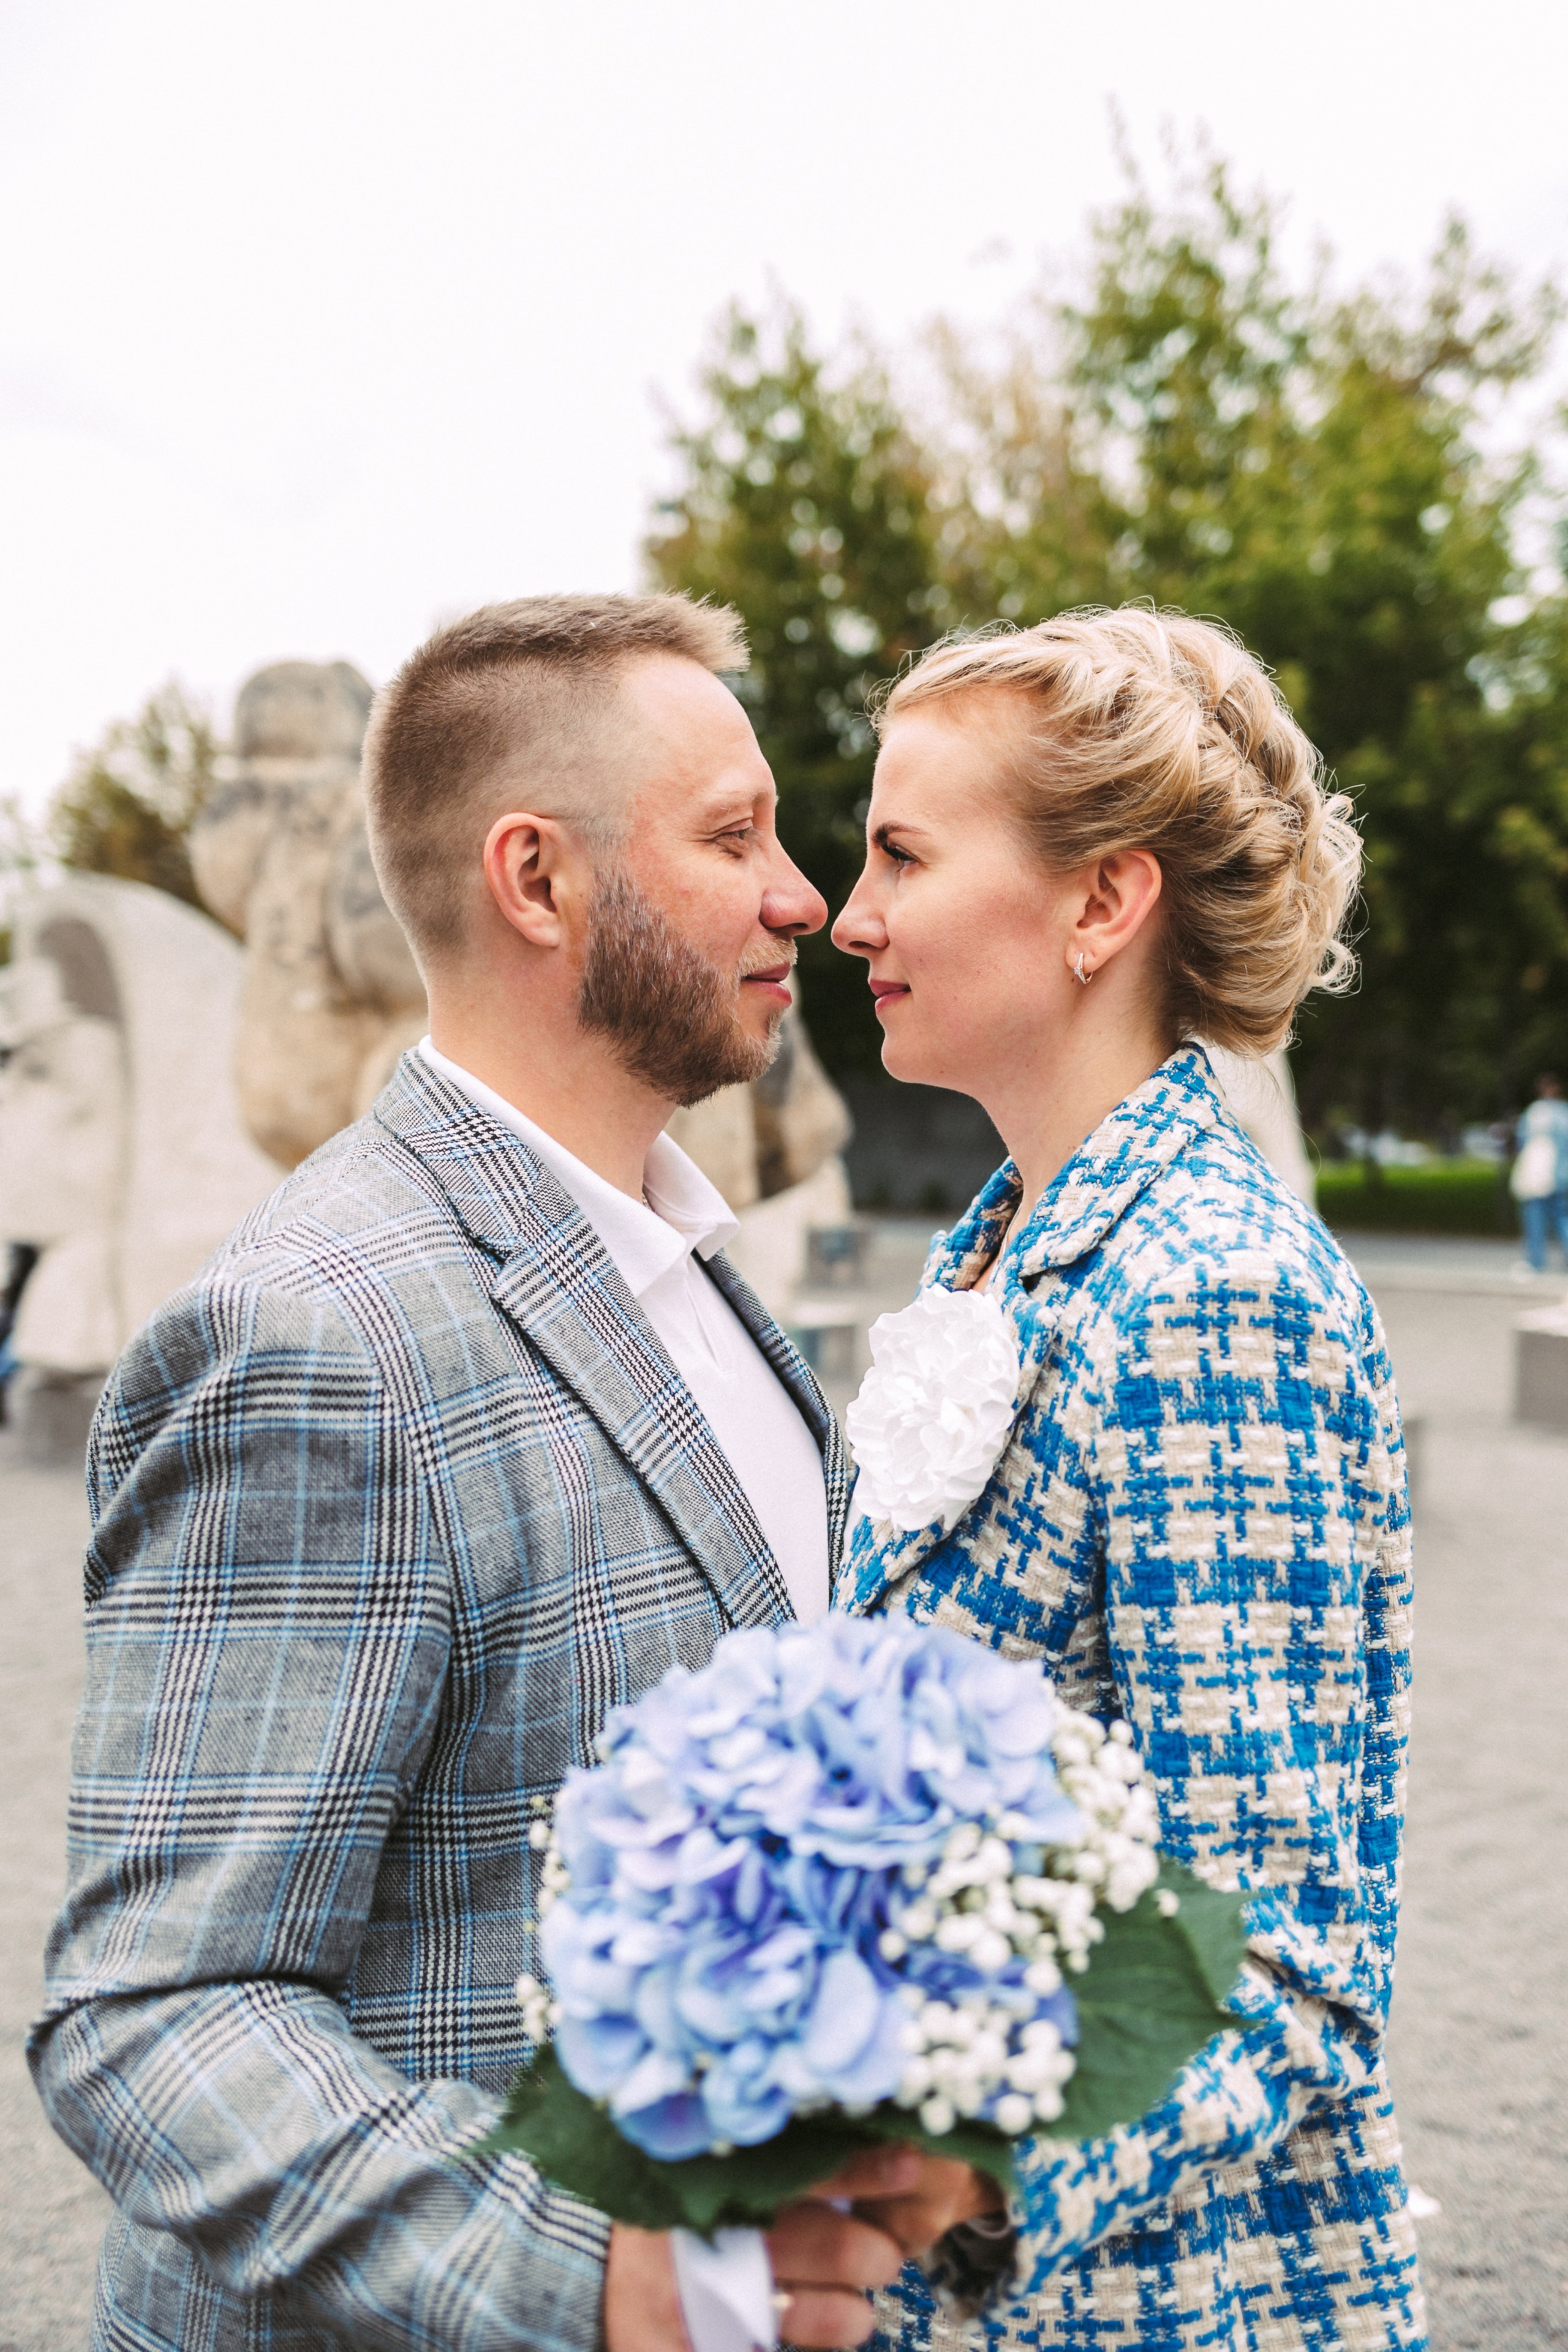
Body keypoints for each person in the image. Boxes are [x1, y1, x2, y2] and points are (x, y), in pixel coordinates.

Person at [30, 594, 992, 2352]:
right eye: (735, 836)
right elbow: (154, 2013)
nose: (807, 897)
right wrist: (599, 2279)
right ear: (537, 882)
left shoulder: (695, 1271)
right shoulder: (314, 1343)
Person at [832, 608, 1425, 2351]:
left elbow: (1283, 1962)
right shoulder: (1008, 1256)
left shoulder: (1214, 1295)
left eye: (902, 854)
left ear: (1104, 903)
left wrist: (949, 2175)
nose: (850, 914)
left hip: (1162, 2303)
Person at [1511, 1071, 1568, 1273]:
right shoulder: (1564, 1112)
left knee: (1536, 1218)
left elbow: (1523, 1143)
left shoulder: (1536, 1112)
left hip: (1539, 1176)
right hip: (1559, 1176)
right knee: (1561, 1219)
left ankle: (1536, 1262)